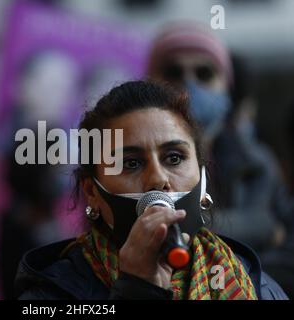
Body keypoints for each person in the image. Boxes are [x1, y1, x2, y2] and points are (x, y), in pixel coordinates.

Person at [14, 80, 287, 300]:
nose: (158, 179)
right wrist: (138, 289)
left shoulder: (256, 285)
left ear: (203, 177)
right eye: (131, 163)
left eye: (174, 158)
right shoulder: (50, 294)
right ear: (92, 192)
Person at [146, 23, 294, 254]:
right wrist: (259, 228)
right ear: (149, 83)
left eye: (204, 73)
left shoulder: (256, 163)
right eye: (174, 73)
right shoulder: (130, 162)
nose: (189, 85)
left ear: (226, 85)